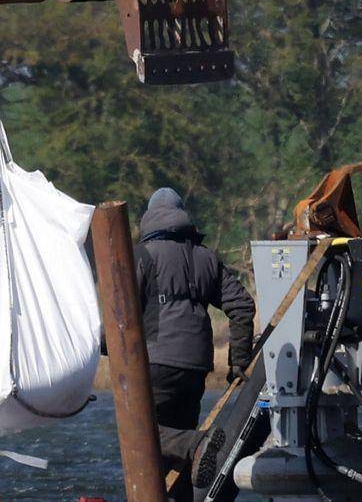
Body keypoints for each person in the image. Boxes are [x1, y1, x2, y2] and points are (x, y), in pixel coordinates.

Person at [136, 187, 255, 498]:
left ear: (149, 217)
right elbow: (242, 305)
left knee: (141, 438)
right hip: (195, 367)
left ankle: (197, 443)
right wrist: (239, 359)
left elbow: (119, 317)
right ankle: (193, 450)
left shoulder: (140, 256)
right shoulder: (206, 257)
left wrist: (99, 345)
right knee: (173, 454)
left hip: (155, 365)